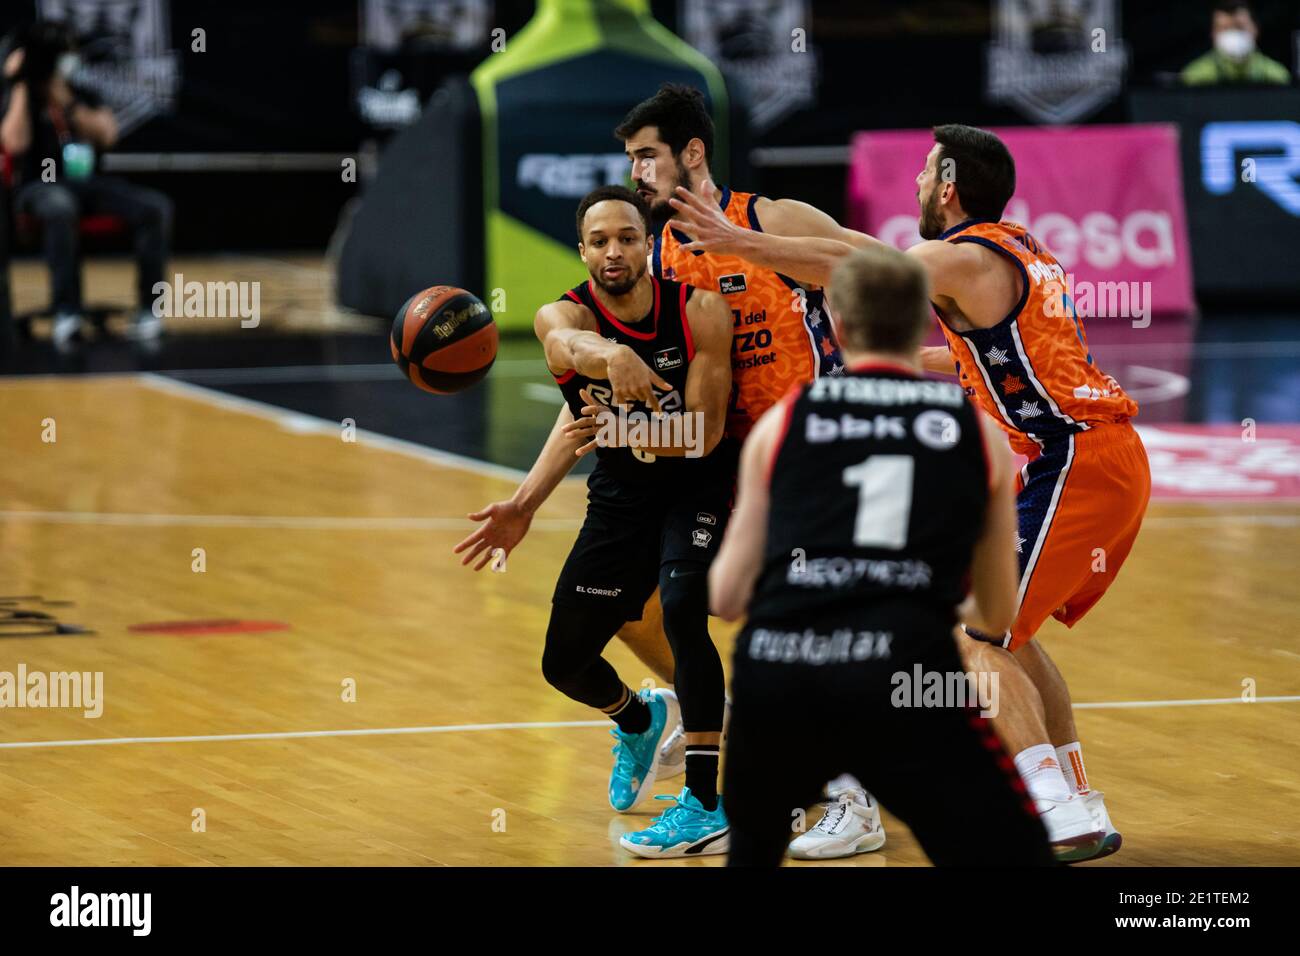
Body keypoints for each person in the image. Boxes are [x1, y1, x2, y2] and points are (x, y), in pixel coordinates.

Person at [671, 124, 1150, 862]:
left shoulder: (958, 255)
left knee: (970, 636)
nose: (916, 185)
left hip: (1075, 459)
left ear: (950, 181)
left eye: (926, 173)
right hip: (1097, 460)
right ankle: (1074, 794)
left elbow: (853, 265)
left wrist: (741, 240)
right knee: (1012, 638)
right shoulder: (1016, 246)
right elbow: (967, 343)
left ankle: (1051, 803)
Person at [455, 83, 890, 859]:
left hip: (813, 450)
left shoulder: (770, 218)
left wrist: (752, 247)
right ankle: (703, 730)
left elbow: (884, 269)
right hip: (720, 459)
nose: (637, 172)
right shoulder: (653, 257)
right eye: (629, 160)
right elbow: (594, 399)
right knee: (639, 604)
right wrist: (526, 497)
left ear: (692, 153)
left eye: (646, 155)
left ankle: (849, 795)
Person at [709, 244, 1054, 867]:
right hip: (904, 677)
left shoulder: (784, 421)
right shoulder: (973, 428)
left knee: (753, 855)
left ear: (837, 327)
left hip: (781, 672)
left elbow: (727, 597)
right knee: (1012, 853)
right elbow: (996, 615)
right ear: (924, 322)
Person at [531, 185, 735, 858]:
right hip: (622, 495)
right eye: (599, 240)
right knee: (563, 661)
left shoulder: (699, 310)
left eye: (626, 237)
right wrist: (611, 357)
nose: (613, 250)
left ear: (648, 244)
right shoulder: (558, 314)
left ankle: (705, 803)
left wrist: (620, 423)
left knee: (681, 605)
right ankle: (639, 720)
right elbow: (564, 347)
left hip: (696, 486)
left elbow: (704, 436)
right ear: (582, 249)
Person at [1, 22, 173, 350]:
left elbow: (107, 134)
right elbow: (14, 144)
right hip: (39, 187)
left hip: (87, 184)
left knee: (154, 207)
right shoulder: (18, 96)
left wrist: (64, 100)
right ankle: (67, 311)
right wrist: (20, 83)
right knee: (60, 206)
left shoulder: (80, 94)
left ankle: (150, 310)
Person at [1180, 1, 1290, 86]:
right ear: (1213, 34)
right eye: (1225, 28)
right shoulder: (1193, 76)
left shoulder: (1277, 76)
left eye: (1239, 27)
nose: (1233, 34)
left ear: (1255, 29)